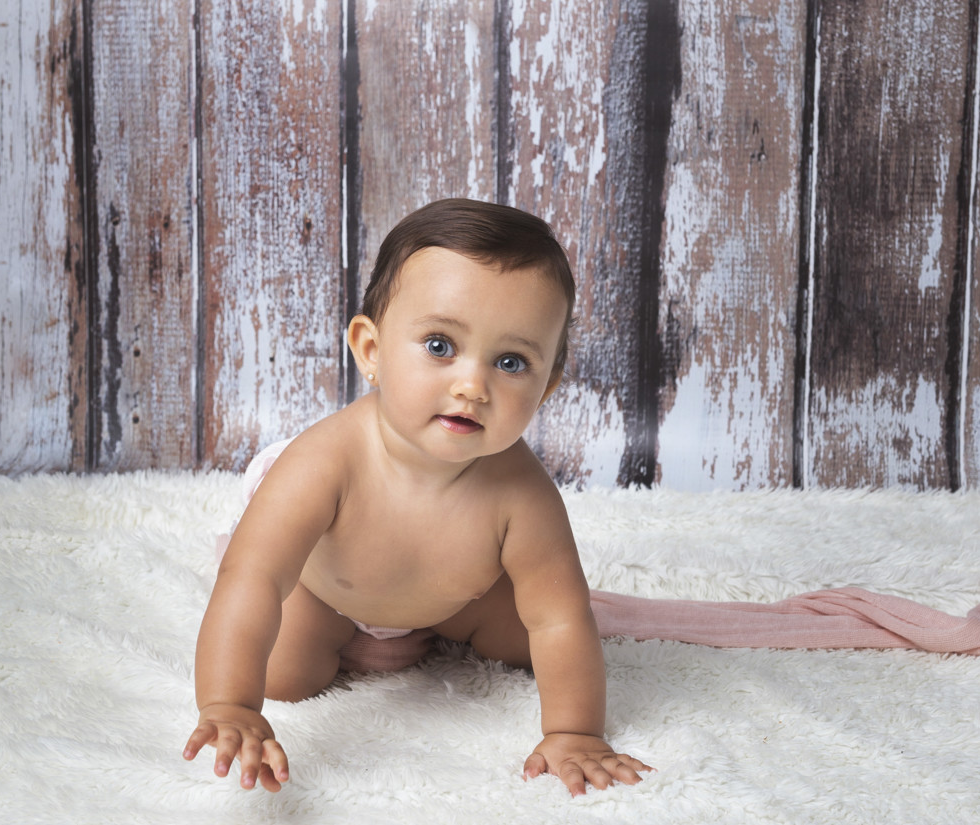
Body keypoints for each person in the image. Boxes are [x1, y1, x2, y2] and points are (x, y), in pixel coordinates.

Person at [182, 198, 652, 797]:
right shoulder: (325, 462)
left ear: (546, 386)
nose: (472, 386)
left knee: (529, 636)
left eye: (511, 362)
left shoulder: (521, 491)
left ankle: (431, 629)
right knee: (284, 674)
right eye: (439, 345)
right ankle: (325, 647)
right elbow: (252, 578)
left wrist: (575, 731)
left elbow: (560, 615)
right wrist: (230, 704)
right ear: (371, 350)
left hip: (450, 599)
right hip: (327, 594)